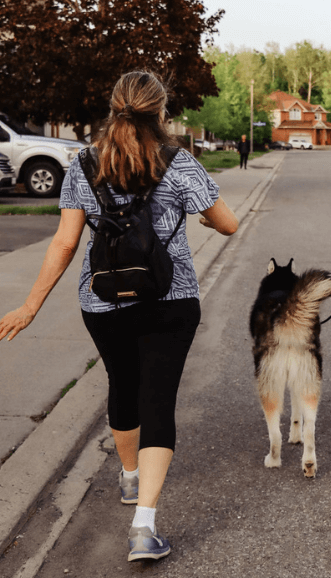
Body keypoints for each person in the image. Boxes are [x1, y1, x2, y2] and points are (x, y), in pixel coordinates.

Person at [0, 71, 238, 561]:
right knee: (158, 398)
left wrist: (30, 306)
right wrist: (199, 213)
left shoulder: (82, 164)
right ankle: (144, 527)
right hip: (170, 299)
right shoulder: (181, 163)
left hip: (102, 303)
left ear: (114, 109)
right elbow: (228, 223)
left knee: (122, 384)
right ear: (162, 111)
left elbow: (65, 242)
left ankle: (130, 479)